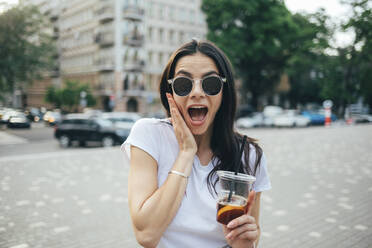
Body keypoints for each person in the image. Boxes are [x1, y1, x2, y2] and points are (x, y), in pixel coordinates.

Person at [122, 39, 271, 248]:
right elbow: (146, 235)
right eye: (184, 84)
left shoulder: (248, 154)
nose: (197, 92)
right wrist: (186, 152)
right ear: (171, 91)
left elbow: (251, 236)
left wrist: (244, 242)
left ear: (224, 91)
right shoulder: (149, 135)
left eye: (211, 83)